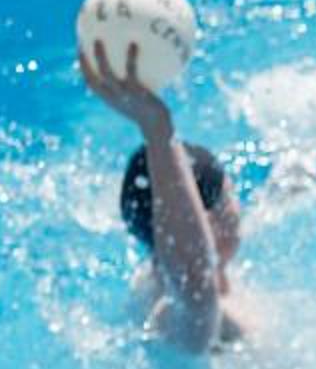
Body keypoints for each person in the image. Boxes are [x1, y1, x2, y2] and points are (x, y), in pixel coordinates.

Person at [79, 38, 249, 352]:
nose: (240, 205)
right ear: (205, 221)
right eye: (230, 195)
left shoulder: (152, 281)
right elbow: (195, 286)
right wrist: (158, 131)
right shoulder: (179, 315)